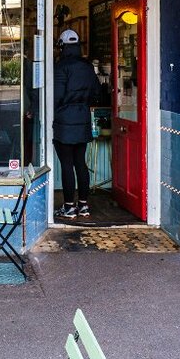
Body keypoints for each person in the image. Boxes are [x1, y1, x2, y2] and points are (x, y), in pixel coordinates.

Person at [53, 29, 101, 219]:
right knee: (81, 163)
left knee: (67, 164)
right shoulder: (87, 66)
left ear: (62, 46)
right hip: (82, 119)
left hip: (64, 120)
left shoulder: (61, 66)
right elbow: (97, 92)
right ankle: (83, 205)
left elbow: (56, 95)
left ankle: (68, 207)